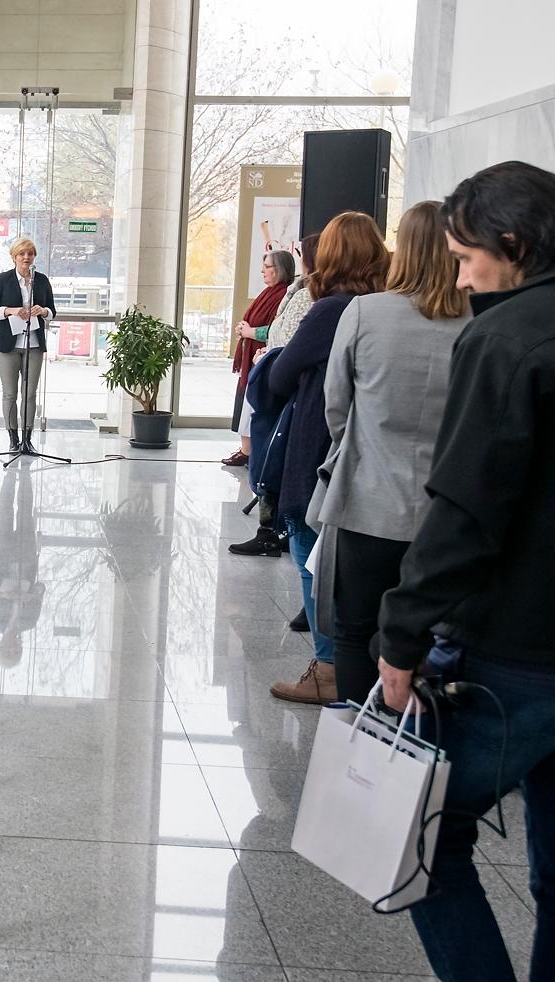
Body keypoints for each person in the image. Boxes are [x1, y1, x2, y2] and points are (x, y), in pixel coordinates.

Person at [373, 162, 555, 981]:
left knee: (418, 836)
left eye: (466, 260)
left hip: (517, 656)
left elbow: (464, 510)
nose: (462, 280)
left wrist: (399, 636)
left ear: (513, 244)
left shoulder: (508, 337)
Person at [307, 201, 470, 703]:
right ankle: (424, 744)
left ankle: (361, 743)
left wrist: (357, 445)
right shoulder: (478, 323)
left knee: (356, 631)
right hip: (446, 514)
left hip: (367, 502)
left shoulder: (366, 312)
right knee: (438, 636)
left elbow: (336, 406)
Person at [264, 212, 388, 704]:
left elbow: (280, 375)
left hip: (319, 443)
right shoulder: (381, 305)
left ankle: (329, 666)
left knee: (309, 551)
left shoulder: (332, 309)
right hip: (366, 451)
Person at [230, 232, 321, 562]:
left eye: (268, 265)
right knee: (270, 454)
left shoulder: (312, 293)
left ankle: (274, 531)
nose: (264, 270)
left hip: (285, 382)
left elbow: (290, 335)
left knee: (275, 457)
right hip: (274, 371)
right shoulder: (298, 290)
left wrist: (265, 347)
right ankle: (272, 529)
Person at [0, 236, 55, 453]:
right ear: (14, 257)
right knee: (10, 393)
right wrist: (10, 310)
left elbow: (52, 310)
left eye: (30, 253)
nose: (26, 257)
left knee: (30, 393)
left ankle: (27, 440)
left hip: (33, 344)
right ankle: (13, 439)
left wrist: (43, 311)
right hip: (7, 345)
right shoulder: (2, 279)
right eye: (22, 254)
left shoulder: (41, 280)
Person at [222, 249, 294, 466]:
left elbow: (276, 329)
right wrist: (244, 328)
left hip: (266, 358)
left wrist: (250, 332)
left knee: (253, 405)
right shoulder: (268, 292)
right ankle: (246, 449)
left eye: (268, 267)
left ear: (280, 270)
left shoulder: (283, 295)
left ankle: (249, 451)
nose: (263, 271)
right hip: (253, 356)